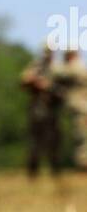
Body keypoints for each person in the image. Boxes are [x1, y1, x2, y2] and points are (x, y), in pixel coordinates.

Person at [21, 44, 63, 177]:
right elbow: (23, 81)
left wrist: (48, 86)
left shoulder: (57, 69)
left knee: (53, 143)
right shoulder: (35, 66)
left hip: (52, 110)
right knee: (35, 142)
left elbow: (63, 91)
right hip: (37, 110)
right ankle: (33, 172)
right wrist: (33, 80)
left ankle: (55, 171)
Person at [54, 47, 87, 172]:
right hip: (81, 107)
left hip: (81, 108)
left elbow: (57, 72)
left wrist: (52, 59)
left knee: (81, 137)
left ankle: (83, 165)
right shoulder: (80, 67)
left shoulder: (75, 67)